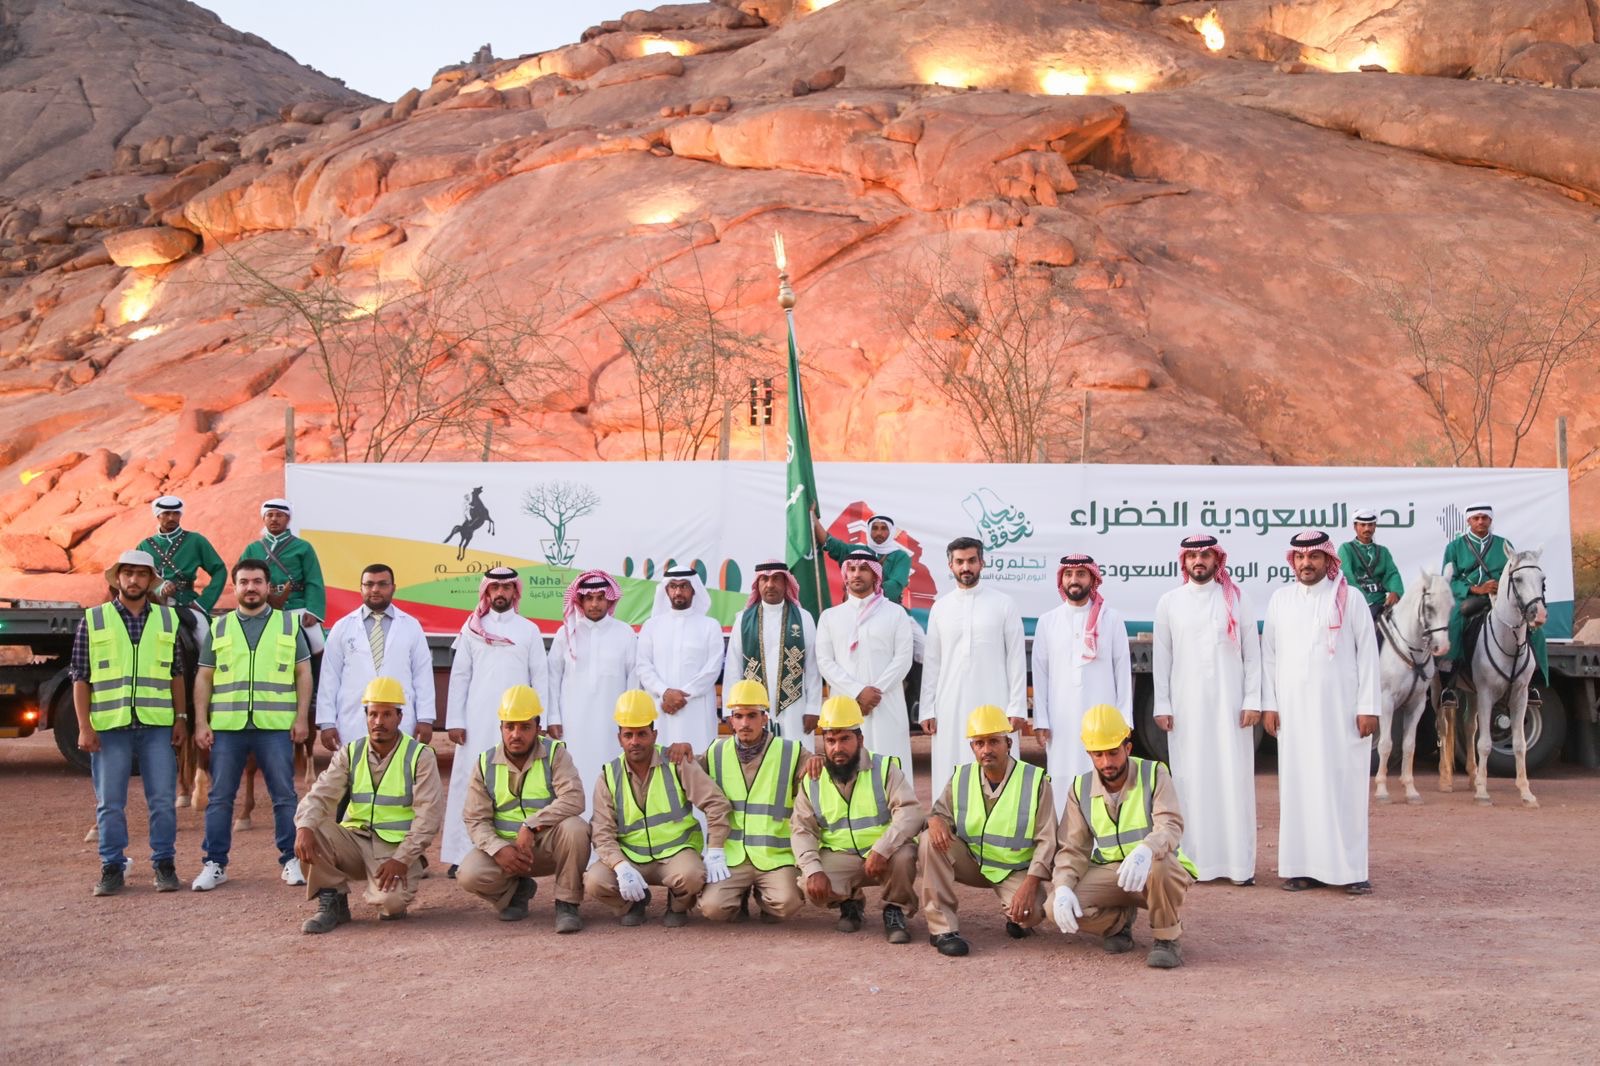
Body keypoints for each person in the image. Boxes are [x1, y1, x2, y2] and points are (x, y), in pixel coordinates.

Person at [1261, 530, 1380, 895]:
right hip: (1294, 714)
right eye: (1300, 557)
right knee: (1299, 788)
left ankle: (1350, 870)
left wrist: (1368, 707)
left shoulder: (1351, 598)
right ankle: (1301, 868)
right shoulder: (1280, 600)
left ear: (1328, 560)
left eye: (1313, 556)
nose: (1306, 563)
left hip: (1342, 712)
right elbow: (1269, 656)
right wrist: (1270, 705)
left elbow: (1368, 654)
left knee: (1344, 787)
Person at [190, 559, 314, 891]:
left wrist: (302, 717)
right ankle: (215, 864)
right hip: (228, 726)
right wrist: (201, 722)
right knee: (220, 798)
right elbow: (204, 677)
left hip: (274, 725)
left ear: (267, 586)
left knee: (284, 796)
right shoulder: (219, 627)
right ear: (235, 587)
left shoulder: (288, 625)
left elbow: (303, 673)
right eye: (244, 582)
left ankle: (291, 860)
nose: (251, 587)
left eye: (257, 581)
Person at [71, 550, 188, 896]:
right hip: (110, 727)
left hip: (156, 726)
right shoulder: (93, 619)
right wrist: (84, 726)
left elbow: (176, 674)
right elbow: (80, 677)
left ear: (150, 581)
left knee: (163, 801)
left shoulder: (167, 619)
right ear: (118, 578)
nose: (134, 580)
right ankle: (112, 867)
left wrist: (181, 718)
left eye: (141, 574)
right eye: (128, 573)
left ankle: (164, 865)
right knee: (109, 803)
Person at [292, 677, 443, 932]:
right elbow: (320, 794)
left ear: (399, 717)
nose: (378, 721)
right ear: (366, 716)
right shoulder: (351, 752)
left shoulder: (420, 756)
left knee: (390, 905)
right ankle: (333, 902)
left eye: (386, 714)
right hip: (354, 839)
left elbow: (429, 818)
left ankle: (394, 887)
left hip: (394, 849)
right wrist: (304, 826)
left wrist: (403, 859)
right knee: (311, 830)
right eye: (373, 714)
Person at [1153, 533, 1262, 885]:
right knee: (1189, 782)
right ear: (1184, 562)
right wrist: (1162, 703)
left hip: (1231, 709)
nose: (1198, 561)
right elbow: (1162, 659)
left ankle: (1238, 866)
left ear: (1217, 560)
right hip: (1186, 710)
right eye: (1192, 556)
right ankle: (1193, 861)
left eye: (1205, 555)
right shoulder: (1169, 602)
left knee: (1234, 781)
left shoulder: (1237, 599)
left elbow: (1252, 654)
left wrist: (1252, 699)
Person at [1051, 705, 1196, 969]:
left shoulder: (1154, 774)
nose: (1106, 762)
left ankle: (1167, 939)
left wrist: (1146, 850)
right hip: (1112, 873)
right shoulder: (1080, 788)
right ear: (1089, 754)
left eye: (1113, 752)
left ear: (1127, 748)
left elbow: (1170, 825)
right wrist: (1062, 886)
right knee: (1054, 906)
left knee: (1161, 865)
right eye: (1098, 754)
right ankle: (1118, 924)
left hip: (1154, 870)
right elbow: (1072, 848)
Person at [582, 690, 732, 927]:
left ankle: (678, 905)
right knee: (594, 881)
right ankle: (633, 904)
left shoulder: (675, 762)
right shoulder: (609, 775)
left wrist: (715, 849)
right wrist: (620, 866)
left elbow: (715, 803)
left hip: (675, 854)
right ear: (619, 738)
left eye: (642, 734)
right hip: (631, 856)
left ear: (654, 735)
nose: (635, 741)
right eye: (628, 735)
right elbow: (602, 830)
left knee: (693, 875)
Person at [920, 704, 1057, 957]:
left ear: (1008, 744)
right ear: (973, 747)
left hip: (1011, 869)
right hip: (971, 862)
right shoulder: (962, 777)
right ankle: (943, 930)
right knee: (930, 839)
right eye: (979, 743)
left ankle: (1015, 917)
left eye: (994, 741)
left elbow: (1047, 841)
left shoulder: (1035, 781)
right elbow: (940, 813)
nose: (986, 750)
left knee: (1031, 914)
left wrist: (1030, 884)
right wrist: (934, 819)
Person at [440, 567, 550, 876]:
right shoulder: (472, 628)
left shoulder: (529, 630)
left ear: (515, 592)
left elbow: (540, 677)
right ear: (486, 592)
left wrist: (541, 720)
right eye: (494, 588)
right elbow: (460, 676)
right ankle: (462, 854)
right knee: (470, 782)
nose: (500, 593)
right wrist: (455, 720)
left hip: (519, 724)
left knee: (515, 785)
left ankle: (517, 850)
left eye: (506, 588)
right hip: (478, 719)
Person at [790, 695, 924, 944]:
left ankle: (894, 909)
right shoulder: (814, 778)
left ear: (860, 740)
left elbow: (910, 812)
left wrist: (882, 849)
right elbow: (802, 830)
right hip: (841, 855)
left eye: (844, 739)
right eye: (830, 741)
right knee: (810, 884)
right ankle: (850, 902)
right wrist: (813, 870)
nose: (837, 748)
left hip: (885, 856)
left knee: (905, 855)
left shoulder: (884, 769)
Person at [455, 685, 588, 933]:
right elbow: (475, 819)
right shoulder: (485, 763)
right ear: (501, 728)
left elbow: (574, 798)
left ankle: (567, 904)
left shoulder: (555, 754)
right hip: (507, 850)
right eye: (510, 727)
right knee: (468, 874)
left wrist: (531, 825)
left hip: (546, 846)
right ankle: (516, 891)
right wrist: (498, 849)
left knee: (576, 829)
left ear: (538, 728)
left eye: (525, 727)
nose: (516, 734)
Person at [920, 537, 1027, 796]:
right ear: (950, 565)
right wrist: (927, 708)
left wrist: (1017, 707)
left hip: (995, 699)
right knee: (950, 766)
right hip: (949, 704)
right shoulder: (940, 608)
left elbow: (1016, 658)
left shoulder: (1004, 604)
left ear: (982, 562)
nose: (965, 567)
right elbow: (932, 661)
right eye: (959, 562)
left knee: (998, 767)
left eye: (971, 561)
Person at [695, 679, 807, 924]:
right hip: (732, 856)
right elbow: (685, 771)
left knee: (786, 904)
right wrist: (679, 751)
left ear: (764, 718)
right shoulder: (715, 752)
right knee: (713, 909)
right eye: (739, 716)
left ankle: (766, 898)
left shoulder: (791, 751)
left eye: (752, 715)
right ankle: (739, 894)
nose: (745, 723)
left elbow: (826, 768)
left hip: (774, 856)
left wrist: (818, 759)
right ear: (731, 721)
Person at [137, 495, 223, 810]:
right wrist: (157, 590)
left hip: (188, 605)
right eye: (165, 514)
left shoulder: (196, 540)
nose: (170, 518)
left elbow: (219, 570)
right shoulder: (145, 546)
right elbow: (138, 578)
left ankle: (210, 685)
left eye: (175, 514)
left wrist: (203, 602)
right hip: (155, 607)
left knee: (205, 636)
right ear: (157, 517)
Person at [1032, 553, 1131, 811]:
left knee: (1103, 781)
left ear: (1092, 578)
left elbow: (1122, 671)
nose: (1074, 580)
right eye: (1068, 574)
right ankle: (1066, 835)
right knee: (1062, 781)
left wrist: (1125, 720)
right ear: (1061, 580)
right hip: (1061, 723)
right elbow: (1040, 675)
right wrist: (1041, 720)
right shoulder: (1048, 621)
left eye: (1080, 574)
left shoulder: (1111, 619)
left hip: (1104, 720)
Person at [815, 548, 916, 784]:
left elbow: (903, 659)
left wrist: (875, 692)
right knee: (849, 770)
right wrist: (858, 692)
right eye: (852, 569)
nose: (857, 574)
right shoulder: (830, 616)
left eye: (863, 569)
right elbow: (825, 662)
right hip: (845, 704)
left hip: (886, 703)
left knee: (891, 767)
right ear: (845, 575)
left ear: (875, 575)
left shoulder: (896, 613)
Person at [547, 570, 637, 817]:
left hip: (613, 724)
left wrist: (630, 720)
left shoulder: (625, 633)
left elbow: (634, 679)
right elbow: (552, 678)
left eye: (600, 598)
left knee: (612, 777)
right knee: (574, 774)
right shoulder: (566, 633)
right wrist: (553, 717)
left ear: (609, 600)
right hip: (573, 723)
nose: (595, 604)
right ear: (580, 600)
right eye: (589, 598)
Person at [316, 563, 435, 748]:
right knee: (355, 765)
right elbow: (329, 678)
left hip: (400, 720)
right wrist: (327, 723)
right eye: (369, 584)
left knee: (399, 765)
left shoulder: (411, 626)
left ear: (393, 588)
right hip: (353, 721)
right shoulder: (342, 627)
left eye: (382, 584)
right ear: (361, 588)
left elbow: (423, 675)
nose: (375, 589)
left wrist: (425, 718)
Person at [1438, 504, 1547, 694]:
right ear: (1469, 521)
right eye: (1476, 518)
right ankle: (1450, 682)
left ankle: (1531, 682)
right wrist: (1475, 589)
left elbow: (1514, 574)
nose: (1480, 521)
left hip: (1500, 598)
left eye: (1484, 518)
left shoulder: (1503, 544)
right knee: (1454, 620)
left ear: (1490, 520)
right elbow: (1449, 580)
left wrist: (1500, 587)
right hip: (1468, 598)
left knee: (1533, 627)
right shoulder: (1454, 547)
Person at [722, 560, 820, 749]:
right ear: (757, 584)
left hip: (795, 708)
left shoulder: (803, 617)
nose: (770, 584)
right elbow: (734, 666)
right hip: (753, 707)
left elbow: (812, 667)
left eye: (776, 579)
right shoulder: (743, 620)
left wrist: (813, 708)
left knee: (795, 756)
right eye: (764, 579)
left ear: (786, 583)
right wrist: (731, 709)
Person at [636, 566, 724, 754]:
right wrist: (665, 692)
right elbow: (643, 666)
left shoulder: (710, 625)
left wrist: (683, 696)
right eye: (673, 586)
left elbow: (713, 668)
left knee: (699, 761)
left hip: (696, 709)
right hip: (661, 707)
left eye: (684, 586)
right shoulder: (651, 626)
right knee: (660, 760)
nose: (678, 591)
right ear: (666, 590)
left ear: (694, 589)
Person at [238, 498, 326, 654]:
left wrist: (313, 611)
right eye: (269, 515)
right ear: (264, 519)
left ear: (288, 518)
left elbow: (313, 580)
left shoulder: (303, 547)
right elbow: (240, 580)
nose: (274, 519)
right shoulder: (252, 549)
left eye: (279, 515)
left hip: (295, 605)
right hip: (261, 606)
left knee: (319, 646)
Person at [815, 511, 912, 604]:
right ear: (869, 530)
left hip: (885, 609)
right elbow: (831, 544)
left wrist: (862, 594)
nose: (879, 532)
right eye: (875, 528)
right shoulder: (857, 552)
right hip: (854, 608)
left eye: (883, 528)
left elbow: (894, 587)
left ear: (891, 531)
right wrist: (812, 517)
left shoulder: (900, 556)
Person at [1338, 508, 1404, 627]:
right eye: (1362, 525)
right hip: (1357, 603)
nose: (1367, 529)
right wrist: (1365, 601)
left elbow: (1392, 574)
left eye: (1370, 525)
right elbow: (1346, 576)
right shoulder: (1346, 549)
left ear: (1375, 526)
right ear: (1355, 527)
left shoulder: (1383, 551)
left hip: (1382, 604)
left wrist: (1395, 592)